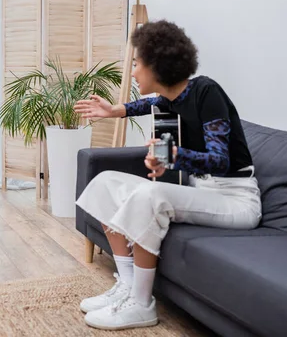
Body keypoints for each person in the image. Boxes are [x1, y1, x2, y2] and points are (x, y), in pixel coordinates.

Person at [73, 20, 261, 331]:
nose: (132, 72)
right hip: (202, 190)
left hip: (235, 199)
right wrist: (114, 111)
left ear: (157, 64)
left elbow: (219, 160)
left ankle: (142, 304)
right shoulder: (170, 99)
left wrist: (174, 158)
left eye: (137, 64)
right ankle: (128, 285)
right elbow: (146, 104)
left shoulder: (206, 91)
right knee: (106, 182)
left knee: (149, 194)